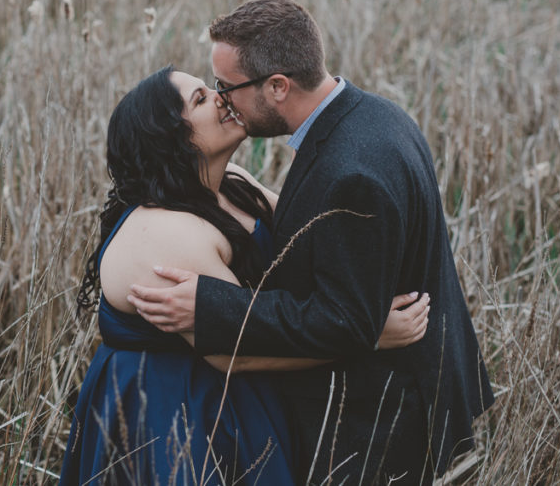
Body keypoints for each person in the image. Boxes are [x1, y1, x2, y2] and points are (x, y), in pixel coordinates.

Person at [128, 0, 495, 484]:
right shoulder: (374, 116)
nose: (222, 100)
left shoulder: (352, 173)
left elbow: (344, 318)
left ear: (277, 86)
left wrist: (209, 306)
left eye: (227, 87)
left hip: (384, 423)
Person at [60, 67, 430, 485]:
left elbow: (306, 240)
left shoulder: (232, 183)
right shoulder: (166, 235)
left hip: (230, 391)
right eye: (200, 99)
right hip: (173, 416)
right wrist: (366, 335)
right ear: (171, 138)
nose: (220, 97)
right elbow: (237, 348)